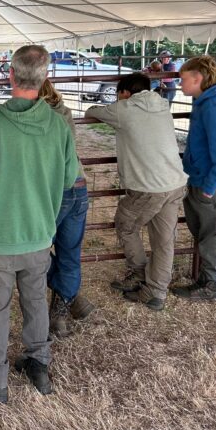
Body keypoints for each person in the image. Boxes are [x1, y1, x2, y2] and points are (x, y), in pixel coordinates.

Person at [0, 45, 79, 403]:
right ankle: (37, 363)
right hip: (39, 233)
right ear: (44, 79)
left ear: (10, 75)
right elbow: (71, 176)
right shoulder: (58, 124)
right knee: (36, 300)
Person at [85, 73, 188, 310]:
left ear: (125, 92)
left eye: (117, 94)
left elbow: (92, 111)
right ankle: (156, 291)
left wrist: (112, 105)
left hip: (148, 187)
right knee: (164, 240)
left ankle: (139, 273)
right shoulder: (162, 105)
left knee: (125, 224)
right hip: (174, 181)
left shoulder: (123, 109)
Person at [171, 56, 216, 300]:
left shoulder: (212, 106)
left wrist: (210, 185)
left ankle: (211, 285)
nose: (180, 85)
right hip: (203, 176)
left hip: (212, 180)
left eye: (183, 79)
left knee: (209, 231)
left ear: (197, 79)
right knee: (203, 227)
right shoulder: (205, 102)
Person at [38, 80, 95, 336]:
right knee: (70, 253)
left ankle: (65, 296)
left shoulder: (36, 117)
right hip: (78, 185)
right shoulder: (64, 111)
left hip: (53, 190)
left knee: (33, 251)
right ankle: (65, 306)